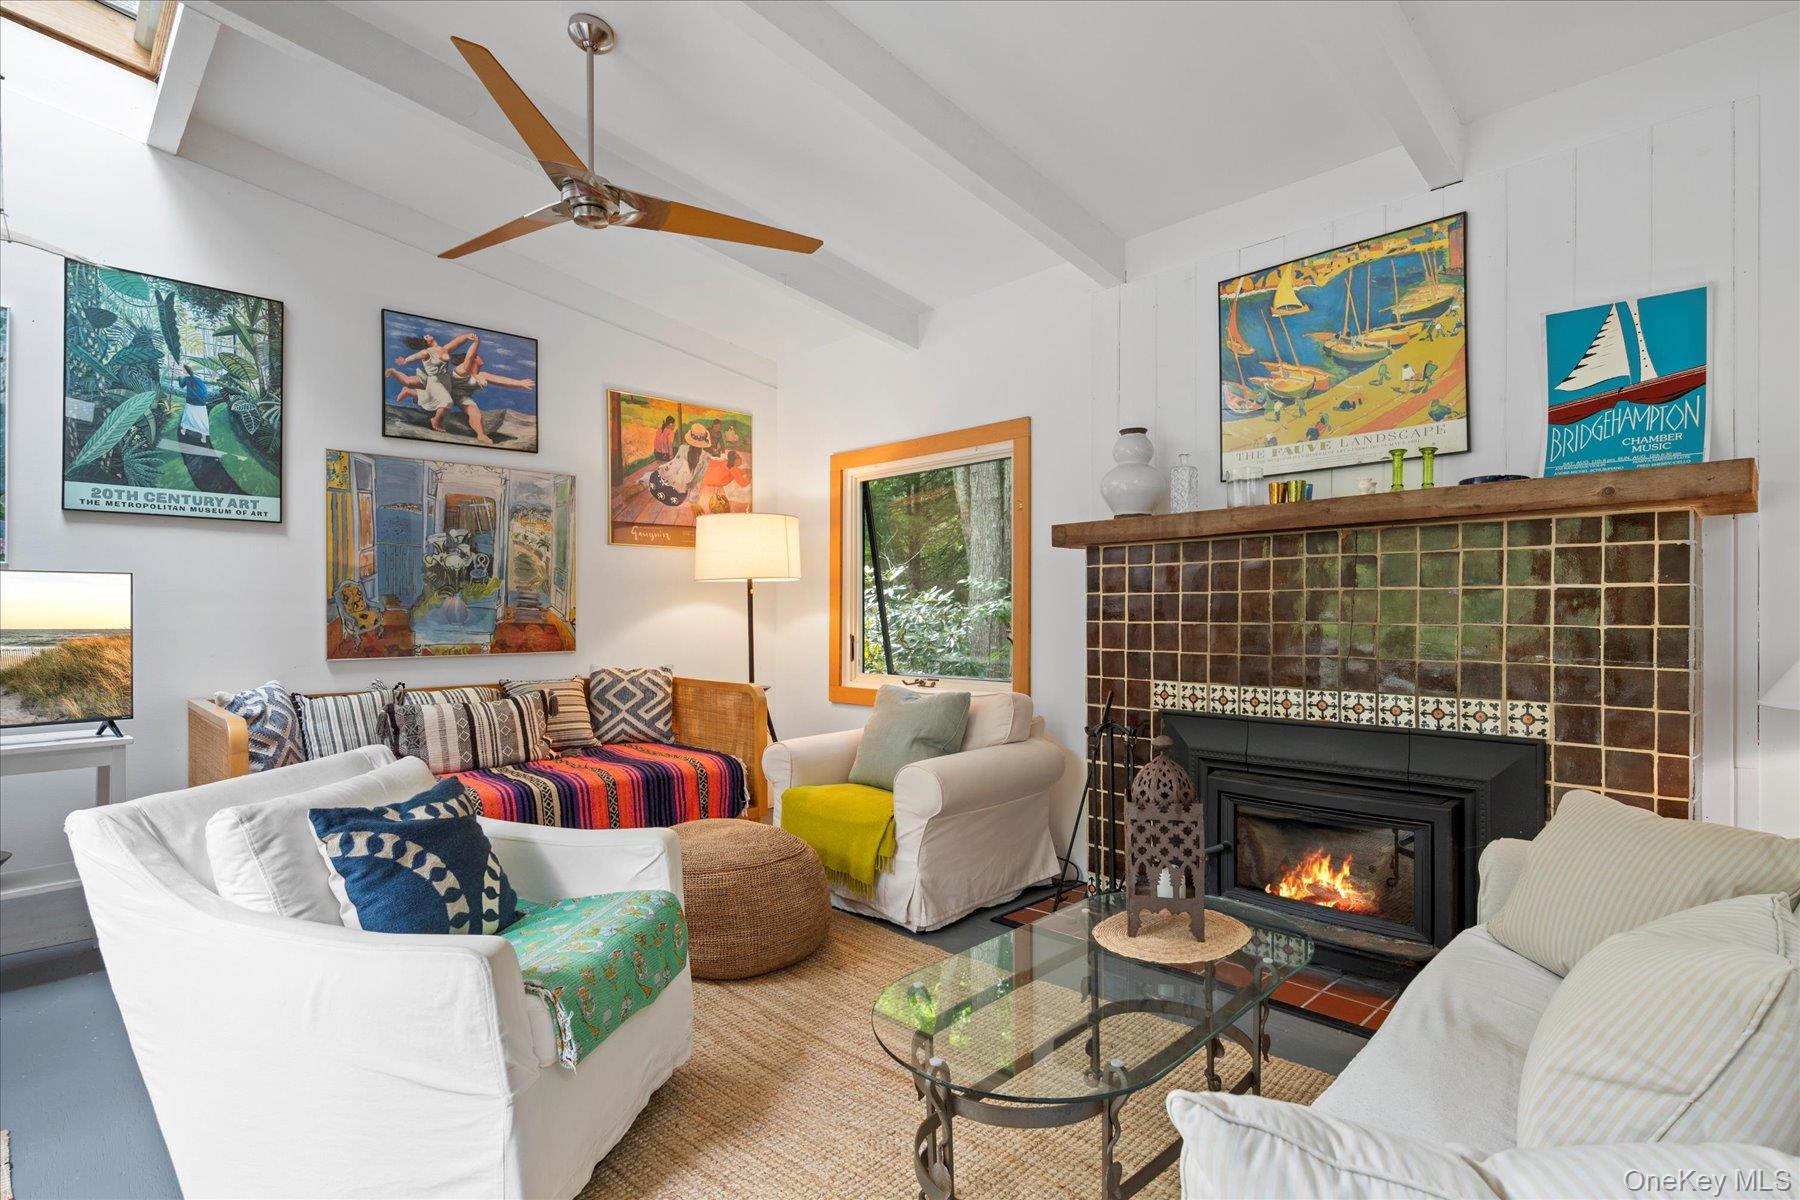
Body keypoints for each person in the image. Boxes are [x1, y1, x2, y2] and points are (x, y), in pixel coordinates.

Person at [176, 363, 212, 448]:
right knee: (201, 419)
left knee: (187, 416)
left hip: (191, 401)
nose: (182, 371)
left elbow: (181, 385)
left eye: (183, 370)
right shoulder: (198, 379)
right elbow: (204, 390)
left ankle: (184, 430)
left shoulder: (186, 379)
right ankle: (203, 436)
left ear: (185, 371)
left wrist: (179, 377)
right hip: (201, 402)